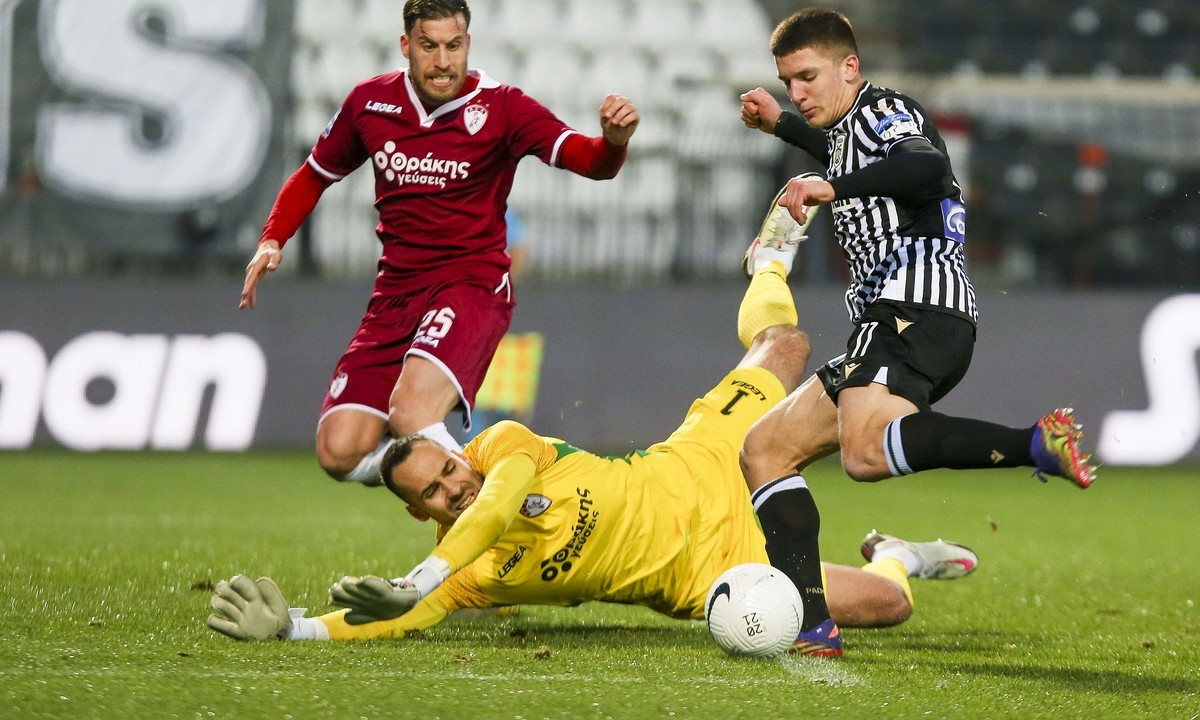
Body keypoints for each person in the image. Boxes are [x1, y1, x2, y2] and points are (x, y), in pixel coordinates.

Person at [207, 230, 979, 656]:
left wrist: (423, 574)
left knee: (786, 344)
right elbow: (402, 617)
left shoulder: (503, 447)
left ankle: (768, 259)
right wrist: (297, 627)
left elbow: (495, 503)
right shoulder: (472, 574)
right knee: (885, 606)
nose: (453, 487)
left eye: (447, 468)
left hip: (698, 459)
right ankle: (898, 554)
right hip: (711, 569)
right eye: (434, 494)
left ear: (459, 451)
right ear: (421, 513)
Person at [238, 0, 639, 484]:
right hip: (395, 296)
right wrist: (272, 238)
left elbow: (589, 161)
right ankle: (454, 483)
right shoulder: (370, 103)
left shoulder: (503, 107)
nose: (443, 61)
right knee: (338, 452)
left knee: (411, 412)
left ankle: (511, 505)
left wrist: (613, 142)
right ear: (406, 45)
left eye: (454, 46)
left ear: (468, 44)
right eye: (429, 46)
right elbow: (312, 175)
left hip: (471, 285)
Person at [737, 8, 1096, 498]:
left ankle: (1034, 443)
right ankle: (802, 568)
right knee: (765, 450)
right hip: (912, 319)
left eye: (807, 77)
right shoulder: (849, 131)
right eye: (787, 82)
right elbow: (848, 157)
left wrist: (831, 188)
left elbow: (924, 166)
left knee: (864, 453)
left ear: (849, 67)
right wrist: (781, 125)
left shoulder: (881, 110)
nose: (797, 94)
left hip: (911, 306)